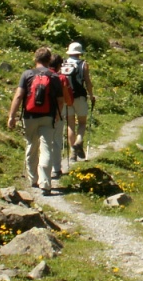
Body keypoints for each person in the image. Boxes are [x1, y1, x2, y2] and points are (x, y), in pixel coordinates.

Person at [7, 47, 63, 194]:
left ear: (35, 58)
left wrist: (12, 116)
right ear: (49, 60)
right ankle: (45, 183)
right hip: (48, 117)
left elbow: (19, 96)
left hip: (29, 116)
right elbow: (60, 99)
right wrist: (57, 114)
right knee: (46, 148)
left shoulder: (27, 74)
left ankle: (33, 179)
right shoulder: (54, 76)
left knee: (31, 145)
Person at [62, 42, 96, 160]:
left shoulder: (63, 63)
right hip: (80, 97)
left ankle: (73, 155)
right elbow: (88, 82)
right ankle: (78, 141)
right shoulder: (83, 64)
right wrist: (91, 95)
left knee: (70, 125)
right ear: (79, 53)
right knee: (82, 122)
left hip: (67, 98)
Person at [49, 52, 75, 178]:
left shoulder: (38, 74)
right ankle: (56, 169)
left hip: (38, 112)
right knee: (56, 140)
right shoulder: (62, 78)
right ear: (60, 65)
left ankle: (40, 169)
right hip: (58, 112)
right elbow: (69, 100)